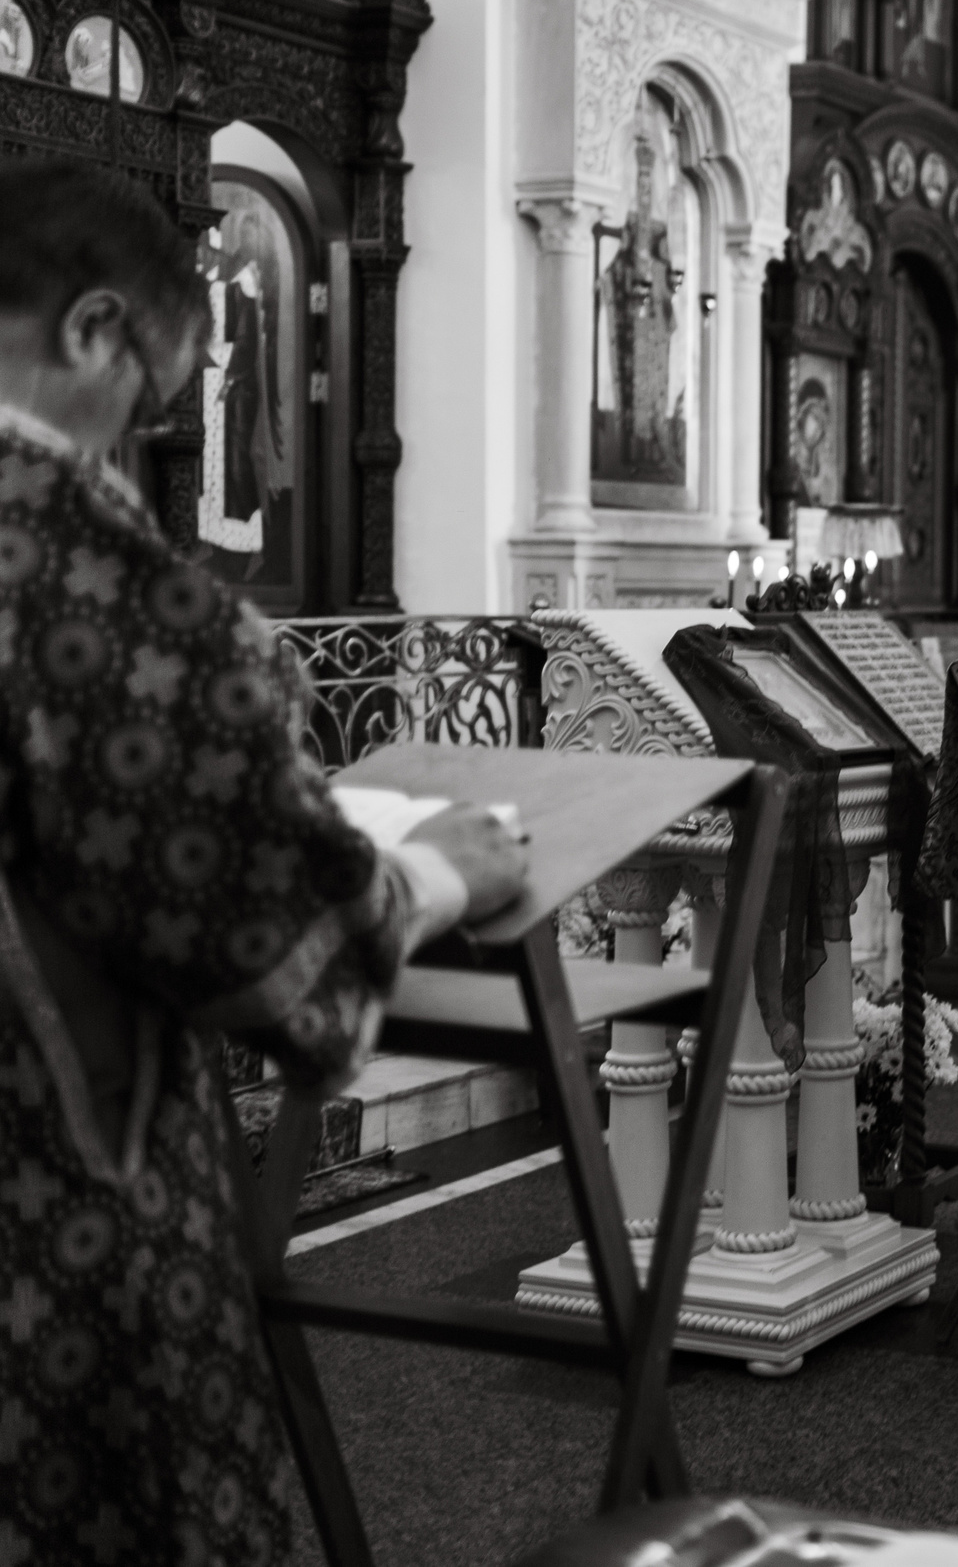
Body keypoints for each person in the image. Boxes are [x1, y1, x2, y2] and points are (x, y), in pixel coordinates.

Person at [0, 159, 529, 1564]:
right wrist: (440, 875)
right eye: (150, 399)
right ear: (96, 332)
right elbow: (259, 939)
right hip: (49, 1232)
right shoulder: (107, 595)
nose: (135, 443)